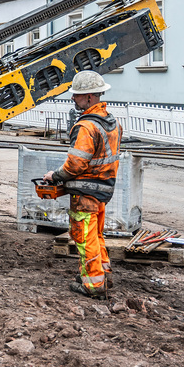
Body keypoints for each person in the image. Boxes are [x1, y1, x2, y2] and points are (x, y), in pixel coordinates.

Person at [44, 70, 121, 299]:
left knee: (84, 237)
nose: (73, 99)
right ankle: (102, 273)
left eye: (77, 95)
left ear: (89, 97)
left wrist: (55, 176)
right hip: (103, 189)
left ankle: (93, 284)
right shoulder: (112, 122)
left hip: (85, 192)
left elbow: (75, 165)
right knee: (96, 235)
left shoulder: (87, 126)